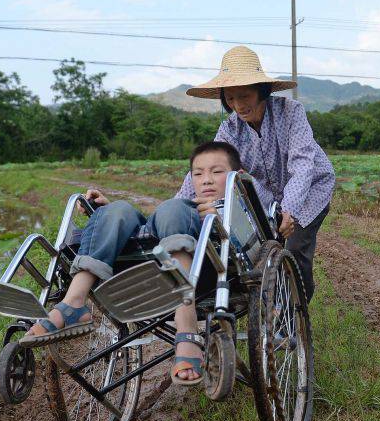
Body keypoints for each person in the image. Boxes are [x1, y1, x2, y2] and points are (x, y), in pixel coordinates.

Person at [19, 141, 272, 386]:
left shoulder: (240, 209)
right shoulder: (187, 206)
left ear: (236, 176)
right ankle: (73, 303)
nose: (206, 179)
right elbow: (157, 223)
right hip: (153, 260)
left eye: (217, 172)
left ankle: (186, 325)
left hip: (209, 270)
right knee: (115, 211)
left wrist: (221, 219)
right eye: (197, 173)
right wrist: (107, 212)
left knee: (173, 208)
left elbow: (256, 246)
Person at [177, 45, 335, 300]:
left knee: (295, 249)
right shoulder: (230, 129)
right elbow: (207, 166)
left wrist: (290, 210)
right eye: (230, 98)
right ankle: (272, 302)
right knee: (261, 247)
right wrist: (177, 207)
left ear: (261, 91)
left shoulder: (291, 112)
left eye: (245, 96)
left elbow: (303, 164)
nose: (238, 105)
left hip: (310, 191)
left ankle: (296, 311)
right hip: (267, 194)